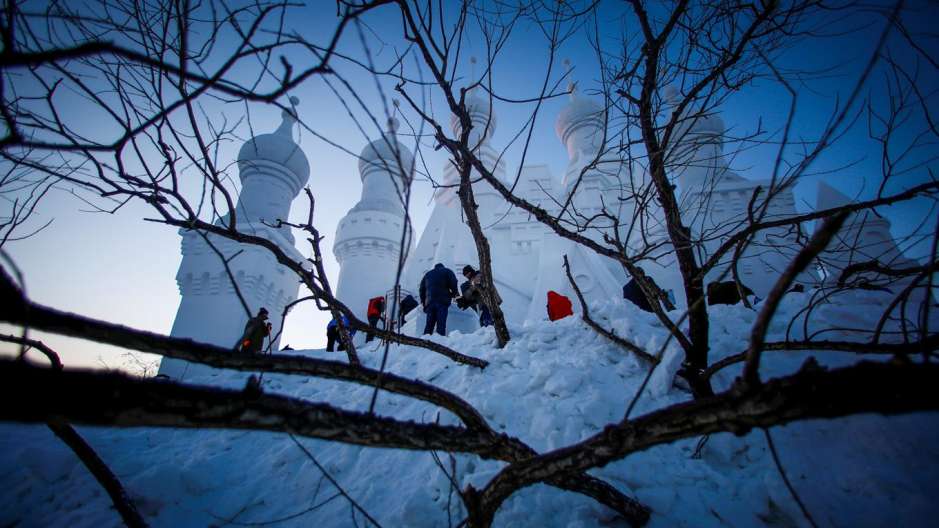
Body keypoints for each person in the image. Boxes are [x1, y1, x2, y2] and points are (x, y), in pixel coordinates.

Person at [419, 263, 459, 335]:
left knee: (429, 325)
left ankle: (425, 342)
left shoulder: (427, 274)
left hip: (429, 303)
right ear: (443, 266)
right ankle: (440, 341)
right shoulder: (447, 271)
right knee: (441, 324)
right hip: (442, 301)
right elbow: (453, 282)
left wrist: (423, 302)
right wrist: (454, 294)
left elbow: (421, 289)